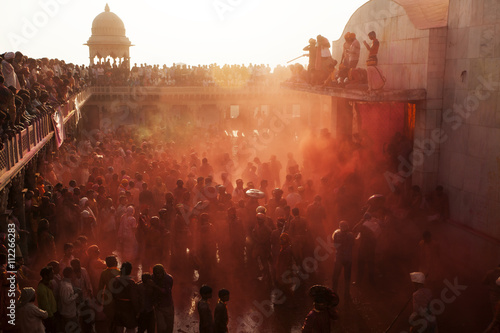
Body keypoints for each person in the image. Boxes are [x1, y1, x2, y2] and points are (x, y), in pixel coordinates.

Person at [111, 262, 140, 333]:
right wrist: (137, 311)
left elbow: (112, 294)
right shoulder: (131, 282)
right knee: (130, 329)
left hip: (118, 307)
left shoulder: (116, 279)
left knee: (119, 329)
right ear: (130, 270)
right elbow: (134, 299)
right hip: (128, 309)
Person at [332, 221, 354, 299]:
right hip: (348, 258)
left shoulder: (336, 234)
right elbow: (353, 244)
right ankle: (347, 293)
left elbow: (334, 245)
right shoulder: (351, 235)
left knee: (335, 277)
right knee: (347, 277)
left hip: (339, 258)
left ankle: (333, 292)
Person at [149, 264, 174, 333]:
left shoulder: (168, 278)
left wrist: (154, 286)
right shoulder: (152, 277)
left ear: (163, 272)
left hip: (167, 305)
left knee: (169, 326)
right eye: (156, 274)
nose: (158, 275)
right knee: (161, 327)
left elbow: (166, 292)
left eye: (159, 273)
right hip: (158, 306)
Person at [59, 266, 81, 333]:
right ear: (70, 274)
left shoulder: (65, 283)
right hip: (69, 313)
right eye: (73, 273)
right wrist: (77, 294)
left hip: (68, 312)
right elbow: (66, 300)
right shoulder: (66, 286)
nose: (74, 275)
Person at [36, 267, 57, 333]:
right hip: (48, 317)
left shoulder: (48, 283)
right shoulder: (41, 289)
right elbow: (45, 305)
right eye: (51, 274)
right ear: (45, 276)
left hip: (53, 312)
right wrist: (51, 317)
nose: (53, 275)